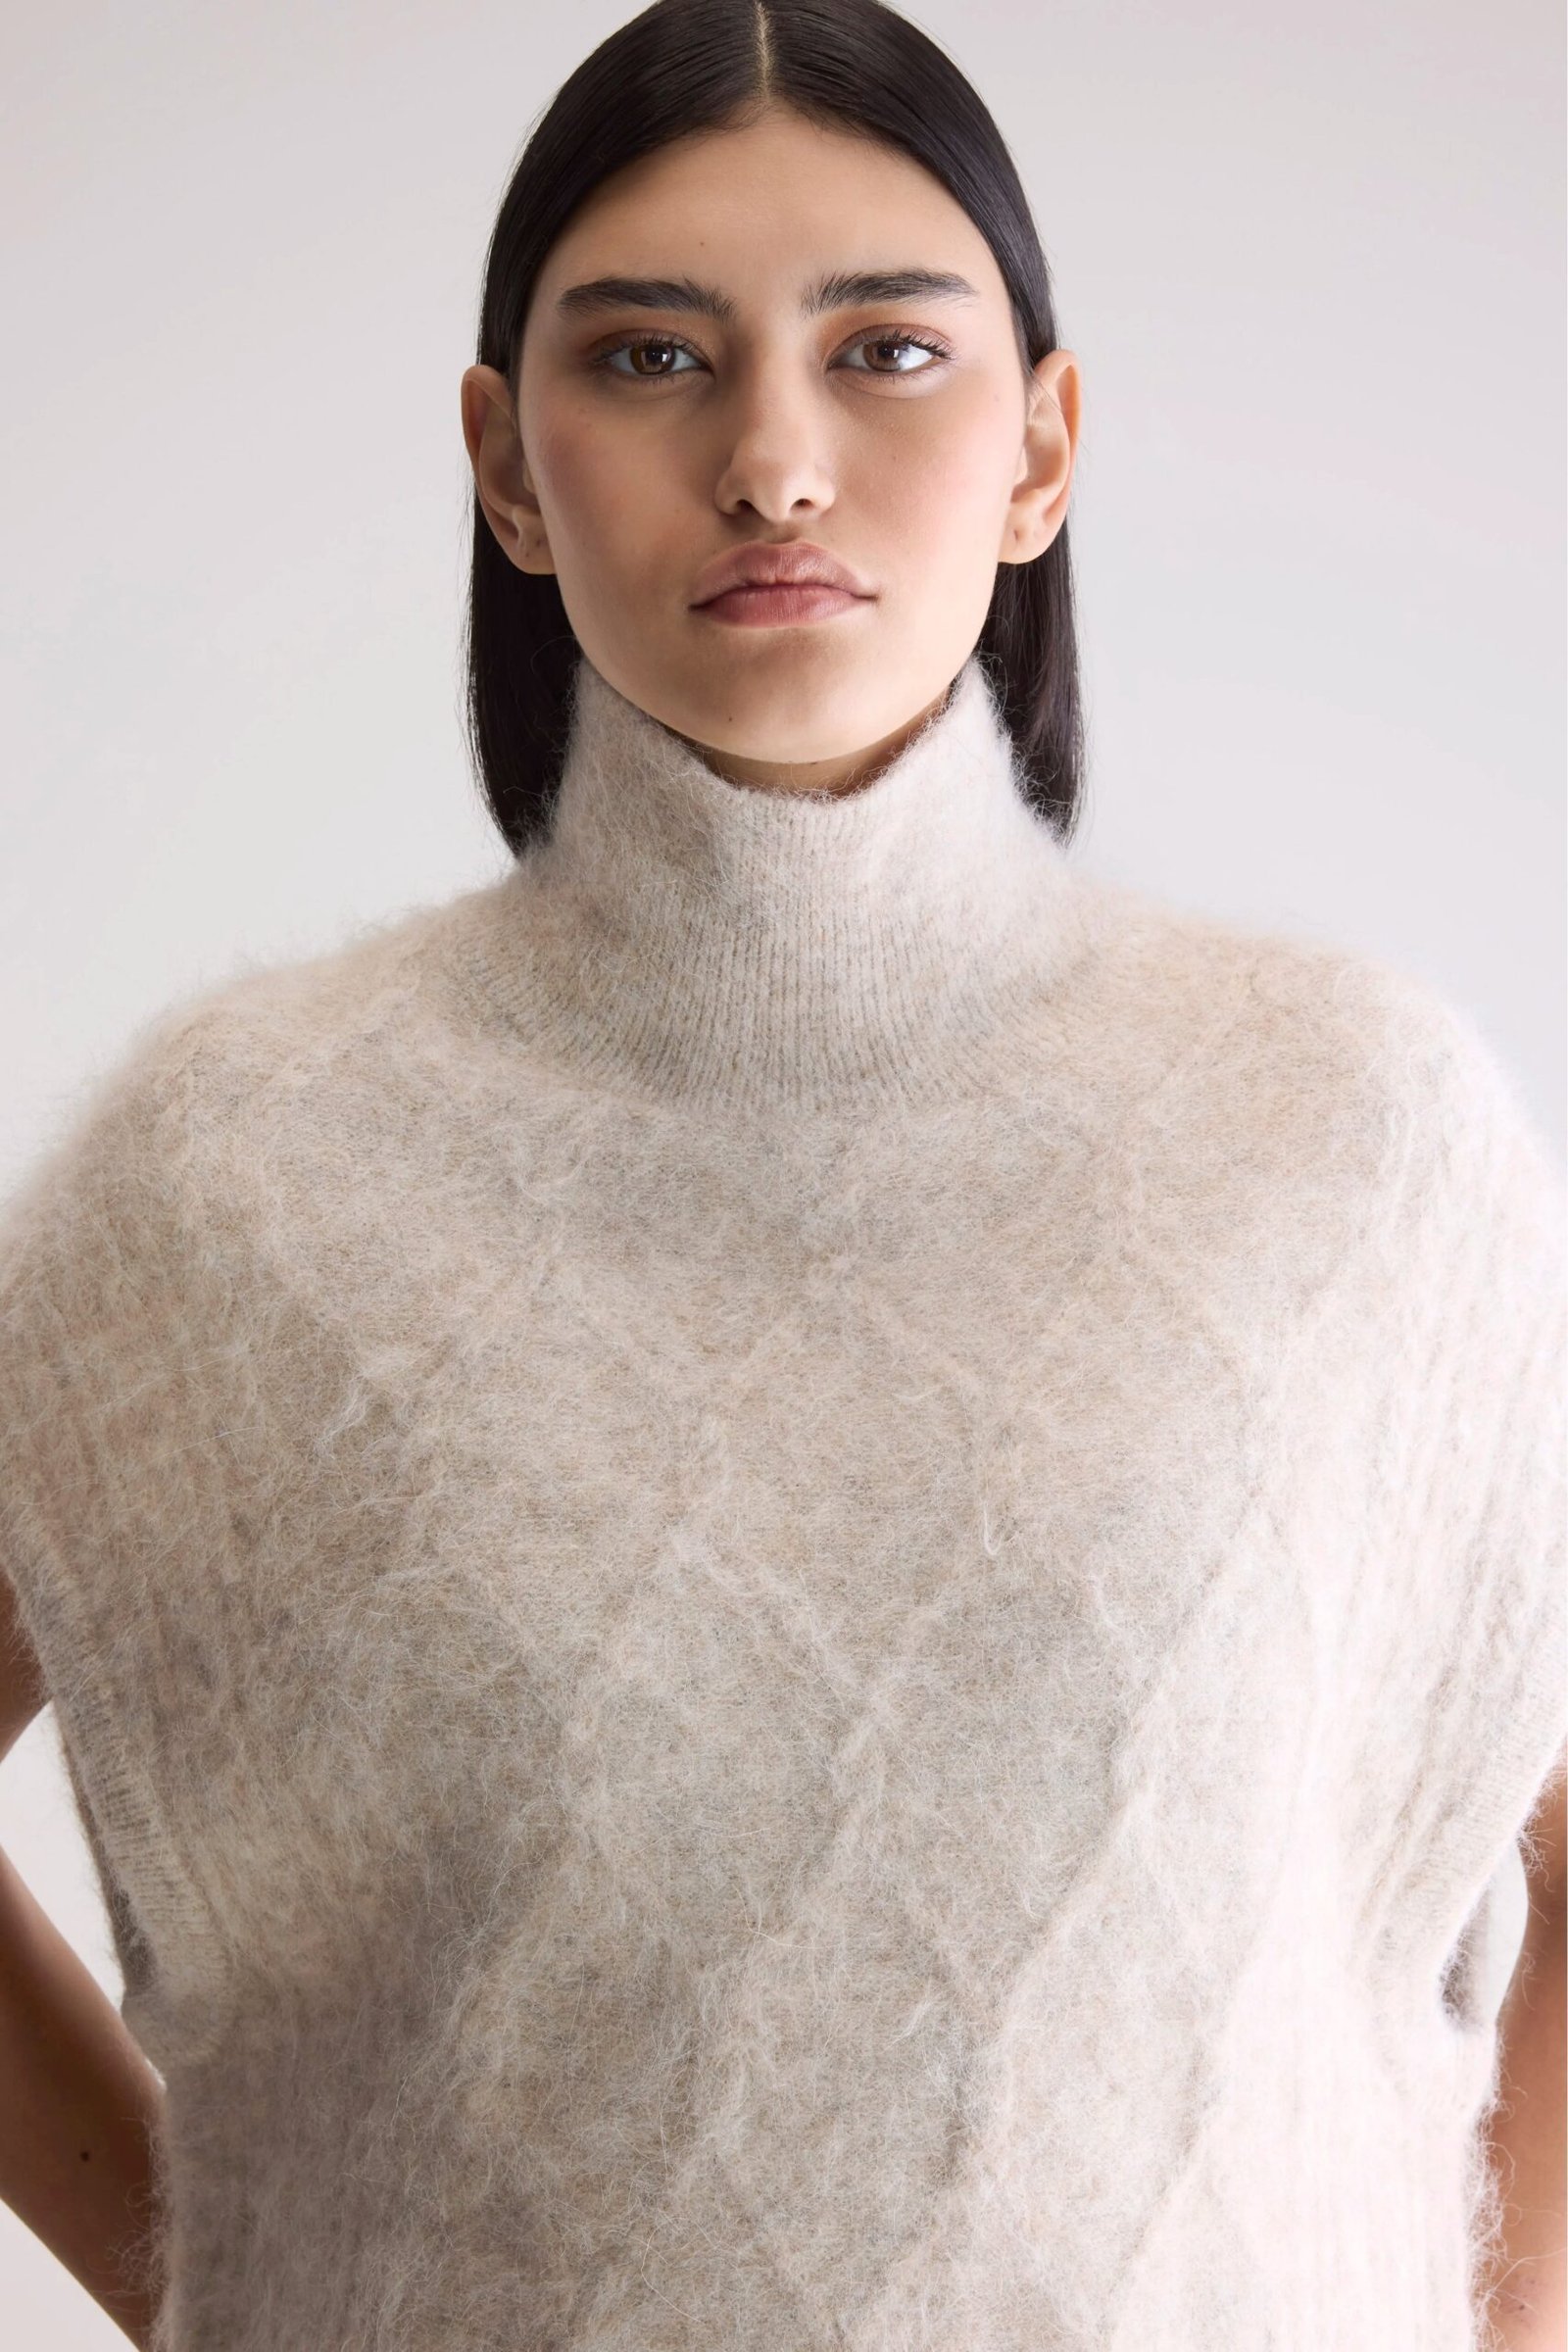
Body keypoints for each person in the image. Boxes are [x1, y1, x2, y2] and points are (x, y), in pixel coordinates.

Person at [1, 2, 1563, 2347]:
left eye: (885, 352)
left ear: (1042, 446)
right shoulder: (229, 1175)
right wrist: (229, 2278)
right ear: (502, 467)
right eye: (647, 357)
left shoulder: (1348, 1131)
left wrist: (1491, 2322)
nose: (770, 463)